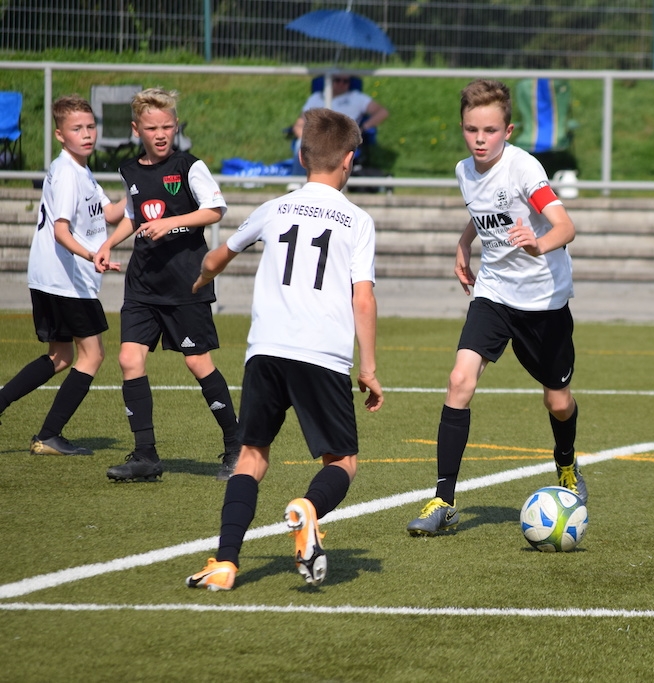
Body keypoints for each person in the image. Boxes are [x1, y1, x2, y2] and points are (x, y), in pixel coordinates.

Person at [185, 108, 383, 591]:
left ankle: (225, 563)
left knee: (251, 456)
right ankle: (309, 509)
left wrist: (202, 278)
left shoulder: (275, 207)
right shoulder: (357, 221)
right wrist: (369, 368)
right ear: (349, 161)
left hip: (267, 350)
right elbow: (362, 297)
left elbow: (218, 256)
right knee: (342, 462)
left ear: (301, 156)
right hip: (322, 353)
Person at [406, 79, 584, 537]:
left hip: (544, 301)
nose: (480, 139)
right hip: (495, 293)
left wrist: (538, 243)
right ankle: (444, 500)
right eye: (471, 130)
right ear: (462, 129)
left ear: (508, 130)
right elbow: (482, 210)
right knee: (459, 380)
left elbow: (565, 226)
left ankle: (566, 463)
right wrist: (463, 243)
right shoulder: (464, 171)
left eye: (489, 130)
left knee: (558, 401)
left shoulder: (525, 169)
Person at [93, 88, 240, 482]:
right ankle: (145, 456)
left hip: (184, 282)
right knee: (129, 359)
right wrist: (107, 244)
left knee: (197, 363)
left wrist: (171, 223)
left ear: (176, 127)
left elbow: (214, 210)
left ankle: (236, 445)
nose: (160, 134)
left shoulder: (189, 166)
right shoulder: (130, 170)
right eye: (152, 128)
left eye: (167, 127)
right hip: (143, 282)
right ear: (136, 129)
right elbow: (133, 215)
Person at [0, 95, 125, 454]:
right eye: (77, 128)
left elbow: (110, 213)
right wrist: (92, 255)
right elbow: (61, 231)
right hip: (66, 279)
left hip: (49, 276)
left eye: (90, 126)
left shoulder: (78, 169)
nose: (86, 134)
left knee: (61, 356)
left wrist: (141, 192)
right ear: (59, 134)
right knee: (92, 355)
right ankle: (49, 435)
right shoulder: (69, 174)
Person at [289, 73, 389, 175]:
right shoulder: (316, 97)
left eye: (345, 81)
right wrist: (307, 137)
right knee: (300, 144)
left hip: (342, 138)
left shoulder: (357, 98)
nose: (342, 84)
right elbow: (300, 123)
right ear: (329, 81)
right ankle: (296, 181)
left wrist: (362, 128)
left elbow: (382, 112)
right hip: (317, 137)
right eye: (338, 80)